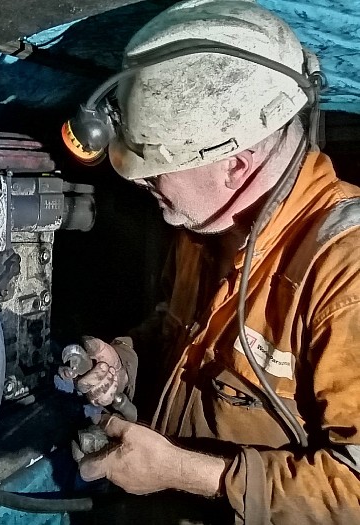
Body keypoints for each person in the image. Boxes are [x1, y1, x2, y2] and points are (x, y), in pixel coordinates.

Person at [68, 1, 360, 524]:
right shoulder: (206, 225)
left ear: (235, 165)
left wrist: (186, 473)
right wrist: (123, 362)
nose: (140, 182)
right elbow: (176, 335)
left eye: (156, 168)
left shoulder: (345, 272)